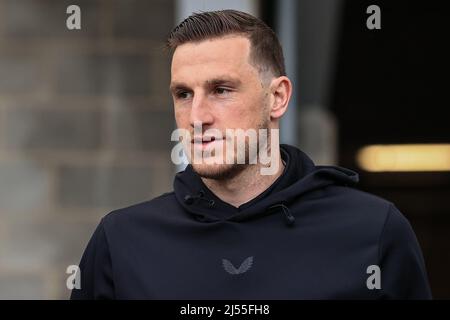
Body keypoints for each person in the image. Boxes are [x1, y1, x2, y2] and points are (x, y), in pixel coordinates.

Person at [71, 9, 431, 299]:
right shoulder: (122, 242)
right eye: (183, 94)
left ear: (277, 98)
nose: (197, 117)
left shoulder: (372, 230)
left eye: (221, 90)